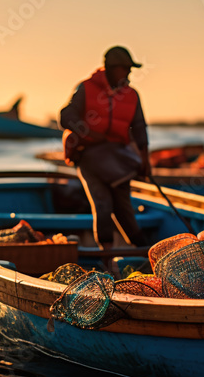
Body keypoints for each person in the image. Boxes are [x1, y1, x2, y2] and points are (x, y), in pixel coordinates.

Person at [59, 45, 150, 249]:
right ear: (110, 68)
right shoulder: (86, 88)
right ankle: (108, 258)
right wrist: (88, 133)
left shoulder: (131, 95)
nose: (128, 74)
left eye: (130, 69)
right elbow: (66, 116)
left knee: (123, 208)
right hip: (89, 156)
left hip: (117, 159)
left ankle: (144, 250)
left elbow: (140, 129)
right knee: (102, 205)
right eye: (125, 69)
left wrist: (145, 160)